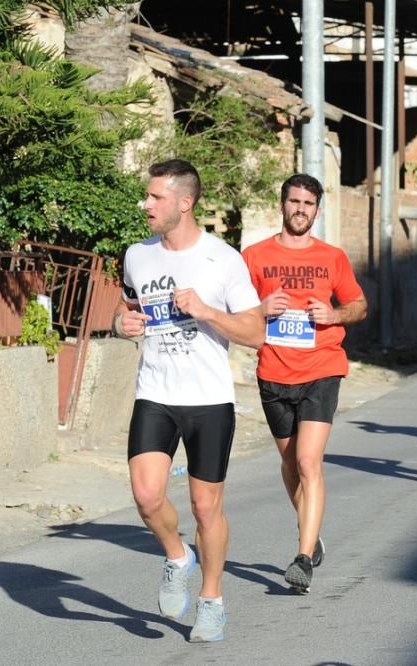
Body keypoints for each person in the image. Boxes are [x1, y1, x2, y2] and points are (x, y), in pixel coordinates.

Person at [115, 159, 265, 642]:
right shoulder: (137, 255)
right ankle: (178, 556)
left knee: (205, 508)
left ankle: (212, 599)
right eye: (148, 195)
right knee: (146, 494)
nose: (146, 204)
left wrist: (205, 310)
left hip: (208, 400)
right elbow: (128, 305)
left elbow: (257, 333)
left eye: (155, 197)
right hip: (155, 392)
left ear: (185, 202)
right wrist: (123, 323)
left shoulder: (223, 259)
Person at [241, 173, 367, 592]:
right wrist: (260, 308)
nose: (301, 210)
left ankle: (302, 556)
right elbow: (235, 312)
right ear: (282, 205)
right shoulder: (253, 256)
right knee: (291, 464)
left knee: (310, 463)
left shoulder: (332, 257)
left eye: (308, 204)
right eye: (294, 202)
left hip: (322, 367)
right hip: (273, 372)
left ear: (317, 209)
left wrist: (334, 316)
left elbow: (359, 305)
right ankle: (312, 534)